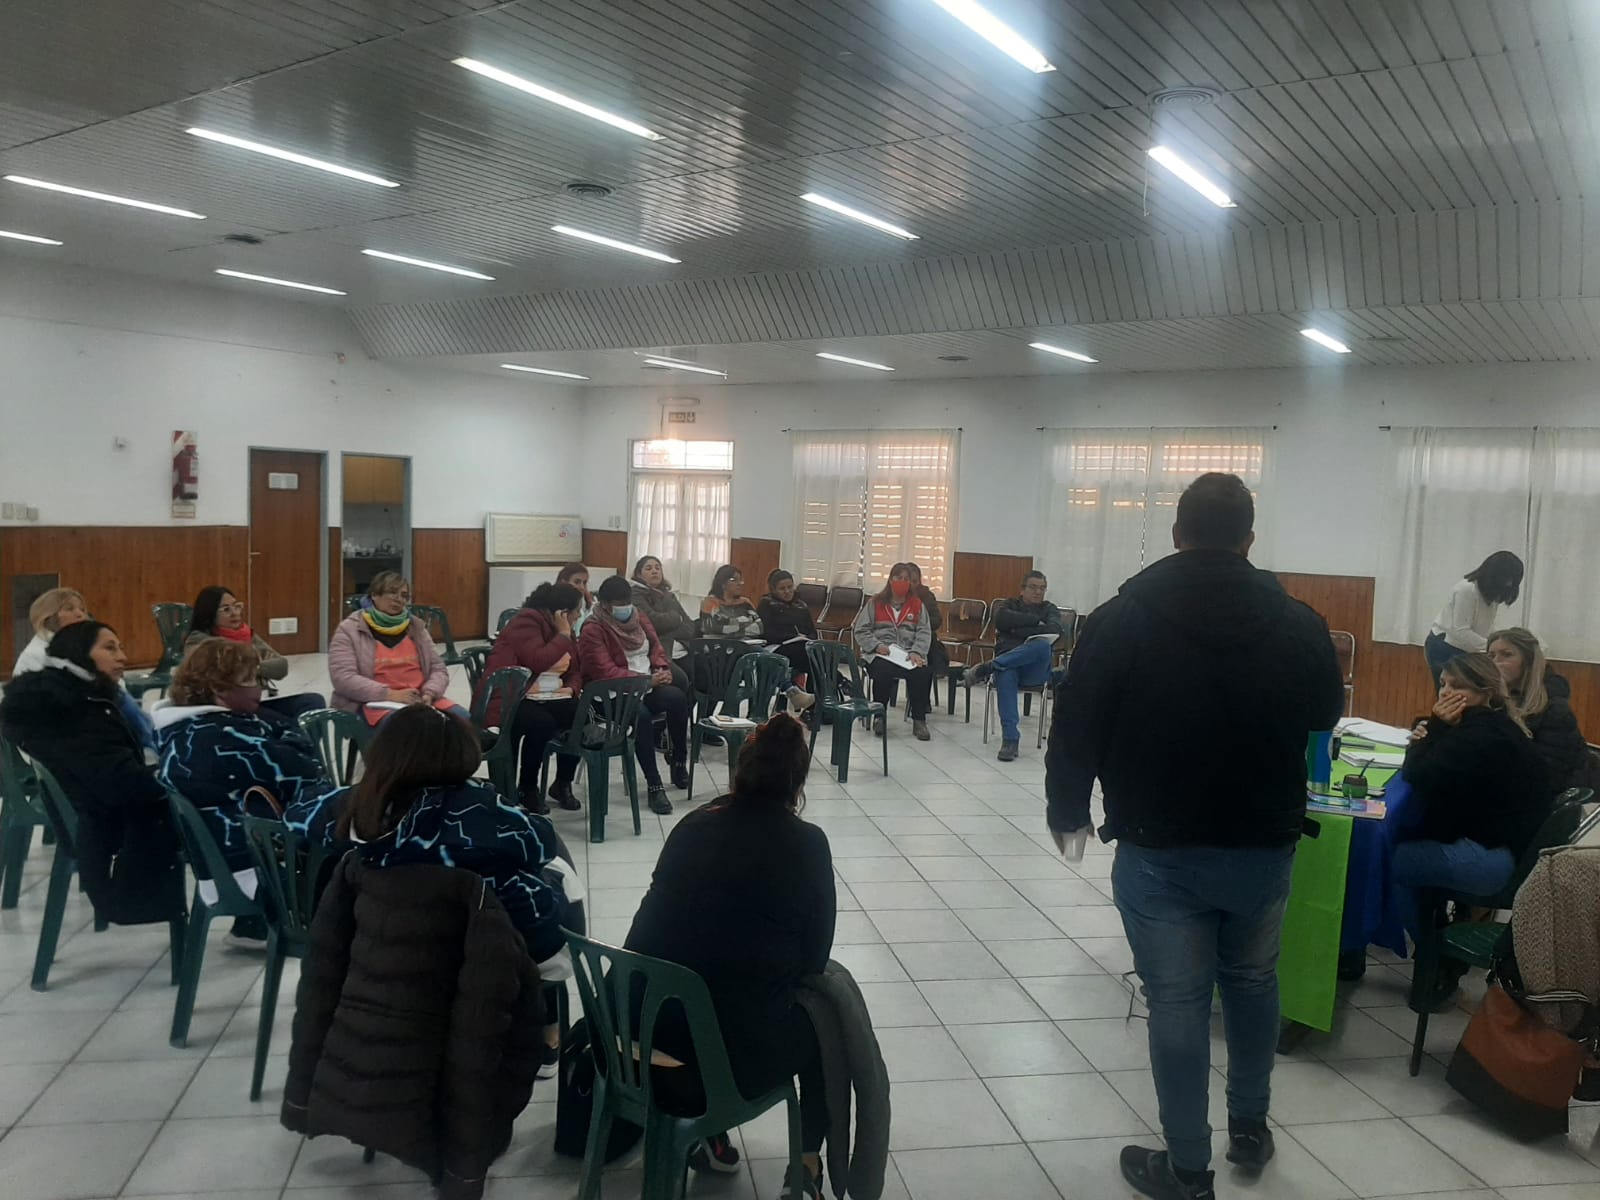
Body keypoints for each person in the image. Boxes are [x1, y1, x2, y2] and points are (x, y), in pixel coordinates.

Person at [1046, 472, 1344, 1200]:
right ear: (1248, 539)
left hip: (1159, 844)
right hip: (1263, 841)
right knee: (1252, 982)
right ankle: (1251, 1125)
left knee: (1177, 1004)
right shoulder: (1299, 621)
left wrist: (1067, 810)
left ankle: (1187, 1170)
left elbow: (1076, 724)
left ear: (1178, 534)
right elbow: (1323, 715)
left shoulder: (1121, 617)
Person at [289, 703, 578, 1081]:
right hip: (491, 953)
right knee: (558, 876)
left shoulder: (356, 804)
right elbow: (539, 844)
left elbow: (298, 814)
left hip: (385, 955)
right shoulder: (486, 809)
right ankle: (546, 1031)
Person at [625, 715, 833, 1191]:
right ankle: (805, 1167)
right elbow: (815, 959)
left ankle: (712, 1141)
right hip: (708, 1069)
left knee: (699, 978)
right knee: (825, 1019)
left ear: (740, 770)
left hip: (625, 1041)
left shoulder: (692, 824)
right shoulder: (806, 843)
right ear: (796, 784)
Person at [0, 621, 185, 924]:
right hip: (114, 830)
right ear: (78, 654)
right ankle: (251, 912)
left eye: (120, 647)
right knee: (222, 803)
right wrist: (175, 771)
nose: (122, 657)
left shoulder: (69, 698)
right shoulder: (74, 712)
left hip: (97, 815)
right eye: (110, 648)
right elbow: (123, 783)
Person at [154, 637, 333, 941]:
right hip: (263, 870)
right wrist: (283, 726)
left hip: (231, 856)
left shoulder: (189, 729)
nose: (260, 689)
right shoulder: (223, 738)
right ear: (219, 689)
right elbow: (306, 769)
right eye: (250, 680)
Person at [1393, 653, 1553, 991]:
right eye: (1442, 684)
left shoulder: (1483, 738)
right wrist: (1431, 731)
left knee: (1385, 861)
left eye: (1457, 687)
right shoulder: (1492, 725)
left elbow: (1421, 774)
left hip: (1492, 862)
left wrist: (1432, 731)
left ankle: (1433, 952)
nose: (1445, 693)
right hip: (1505, 851)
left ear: (1485, 692)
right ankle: (1435, 939)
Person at [579, 575, 691, 815]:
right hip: (609, 696)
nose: (625, 607)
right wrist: (645, 680)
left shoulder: (638, 617)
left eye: (627, 601)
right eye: (619, 603)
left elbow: (656, 647)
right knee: (640, 716)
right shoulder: (593, 628)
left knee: (677, 698)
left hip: (645, 685)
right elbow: (604, 671)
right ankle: (654, 784)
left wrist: (661, 669)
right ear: (606, 605)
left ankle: (679, 760)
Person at [485, 582, 585, 814]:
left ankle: (562, 783)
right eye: (577, 610)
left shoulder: (564, 630)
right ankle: (527, 787)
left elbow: (577, 671)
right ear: (562, 613)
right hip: (513, 697)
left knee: (578, 714)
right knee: (541, 724)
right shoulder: (527, 621)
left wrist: (571, 689)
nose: (580, 615)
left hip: (550, 696)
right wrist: (562, 634)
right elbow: (538, 660)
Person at [328, 571, 463, 725]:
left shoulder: (416, 627)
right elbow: (343, 678)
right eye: (392, 592)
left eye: (404, 595)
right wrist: (389, 694)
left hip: (420, 700)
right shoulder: (350, 629)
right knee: (411, 728)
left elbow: (438, 668)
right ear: (374, 595)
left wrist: (429, 693)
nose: (398, 599)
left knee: (464, 721)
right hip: (373, 702)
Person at [184, 585, 326, 722]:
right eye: (226, 609)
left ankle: (294, 741)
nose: (235, 613)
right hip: (228, 708)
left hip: (259, 700)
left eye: (237, 606)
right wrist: (256, 667)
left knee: (313, 702)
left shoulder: (246, 635)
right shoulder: (199, 640)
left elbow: (281, 667)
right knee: (285, 723)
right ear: (210, 614)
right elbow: (221, 675)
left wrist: (251, 668)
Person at [970, 570, 1068, 762]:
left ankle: (989, 667)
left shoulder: (1050, 609)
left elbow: (1055, 630)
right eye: (1033, 587)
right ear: (1022, 590)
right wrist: (1035, 623)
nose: (1038, 592)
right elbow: (1002, 620)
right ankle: (1010, 740)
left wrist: (1017, 630)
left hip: (1035, 670)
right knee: (1006, 672)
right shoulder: (1009, 605)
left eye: (1042, 588)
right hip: (1011, 667)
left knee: (1041, 645)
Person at [1487, 627, 1593, 795]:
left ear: (1528, 662)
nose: (1496, 662)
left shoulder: (1554, 709)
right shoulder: (1490, 700)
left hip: (1549, 798)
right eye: (1491, 656)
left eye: (1507, 655)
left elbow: (1547, 774)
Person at [852, 563, 933, 741]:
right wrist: (875, 645)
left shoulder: (917, 605)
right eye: (898, 578)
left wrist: (917, 652)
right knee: (882, 670)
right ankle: (879, 716)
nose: (902, 582)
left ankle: (919, 720)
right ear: (890, 580)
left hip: (907, 654)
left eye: (906, 579)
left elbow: (925, 632)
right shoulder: (875, 603)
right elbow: (860, 630)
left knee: (921, 671)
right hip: (882, 653)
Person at [1424, 550, 1524, 682]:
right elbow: (1461, 630)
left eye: (1513, 581)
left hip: (1467, 649)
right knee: (1453, 696)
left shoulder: (1493, 593)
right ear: (1494, 575)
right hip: (1445, 647)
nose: (1509, 585)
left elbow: (1485, 627)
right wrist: (1493, 646)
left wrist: (1502, 640)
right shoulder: (1466, 590)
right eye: (1507, 579)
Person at [757, 570, 818, 712]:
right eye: (782, 589)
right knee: (812, 656)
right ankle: (813, 703)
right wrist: (790, 636)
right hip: (777, 647)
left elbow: (812, 631)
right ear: (773, 590)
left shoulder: (801, 605)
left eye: (790, 587)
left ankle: (815, 703)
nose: (787, 591)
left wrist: (807, 636)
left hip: (801, 646)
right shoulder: (767, 604)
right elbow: (765, 632)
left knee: (817, 656)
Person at [630, 555, 694, 661]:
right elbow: (653, 622)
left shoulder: (669, 596)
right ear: (639, 574)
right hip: (650, 651)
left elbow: (689, 627)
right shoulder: (635, 594)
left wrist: (667, 634)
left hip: (677, 646)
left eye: (657, 568)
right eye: (648, 568)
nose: (654, 571)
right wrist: (677, 619)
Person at [12, 587, 88, 676]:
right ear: (49, 616)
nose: (80, 614)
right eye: (69, 609)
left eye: (82, 609)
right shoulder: (35, 656)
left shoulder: (85, 648)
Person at [699, 565, 763, 640]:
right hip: (718, 644)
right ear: (722, 583)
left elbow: (759, 628)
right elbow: (711, 628)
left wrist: (728, 624)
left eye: (741, 580)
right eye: (734, 580)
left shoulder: (745, 602)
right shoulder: (710, 602)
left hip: (746, 643)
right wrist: (745, 622)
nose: (739, 583)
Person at [555, 562, 594, 633]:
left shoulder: (584, 610)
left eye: (584, 583)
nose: (582, 587)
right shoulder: (549, 611)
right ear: (563, 582)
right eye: (577, 582)